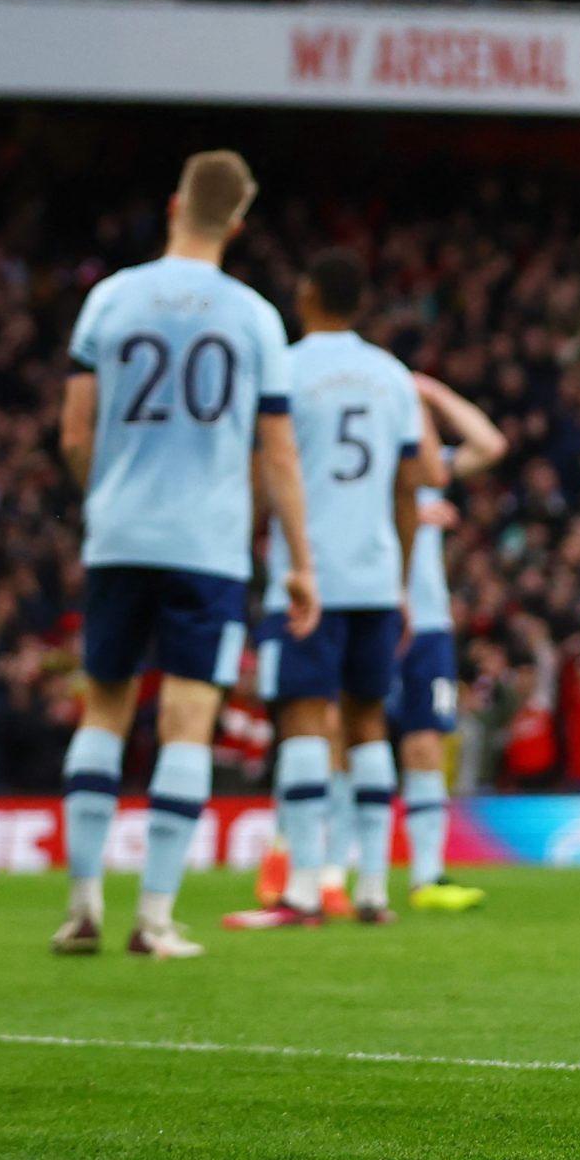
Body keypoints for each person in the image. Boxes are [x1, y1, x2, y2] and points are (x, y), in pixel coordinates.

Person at [54, 151, 317, 959]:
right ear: (238, 222)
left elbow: (73, 431)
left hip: (120, 532)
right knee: (187, 721)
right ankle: (155, 918)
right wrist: (301, 562)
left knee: (105, 705)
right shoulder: (254, 316)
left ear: (175, 205)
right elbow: (277, 452)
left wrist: (107, 496)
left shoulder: (110, 298)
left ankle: (82, 906)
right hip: (206, 543)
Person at [226, 249, 430, 930]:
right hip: (375, 575)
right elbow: (409, 487)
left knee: (305, 721)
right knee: (370, 723)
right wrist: (401, 580)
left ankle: (305, 890)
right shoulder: (391, 375)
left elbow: (267, 468)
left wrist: (250, 535)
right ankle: (372, 890)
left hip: (306, 577)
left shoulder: (285, 364)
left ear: (308, 292)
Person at [394, 373, 510, 911]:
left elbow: (490, 444)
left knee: (425, 742)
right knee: (347, 736)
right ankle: (326, 874)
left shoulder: (430, 469)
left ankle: (427, 877)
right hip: (373, 609)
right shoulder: (369, 461)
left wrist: (436, 392)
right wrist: (411, 515)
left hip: (429, 621)